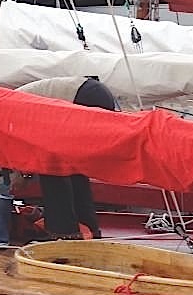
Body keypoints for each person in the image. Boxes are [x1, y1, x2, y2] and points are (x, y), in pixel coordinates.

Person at [15, 76, 119, 239]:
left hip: (79, 98)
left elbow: (21, 161)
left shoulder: (6, 116)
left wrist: (19, 179)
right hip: (93, 91)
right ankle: (88, 227)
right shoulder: (14, 99)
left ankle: (63, 232)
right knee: (74, 167)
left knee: (51, 168)